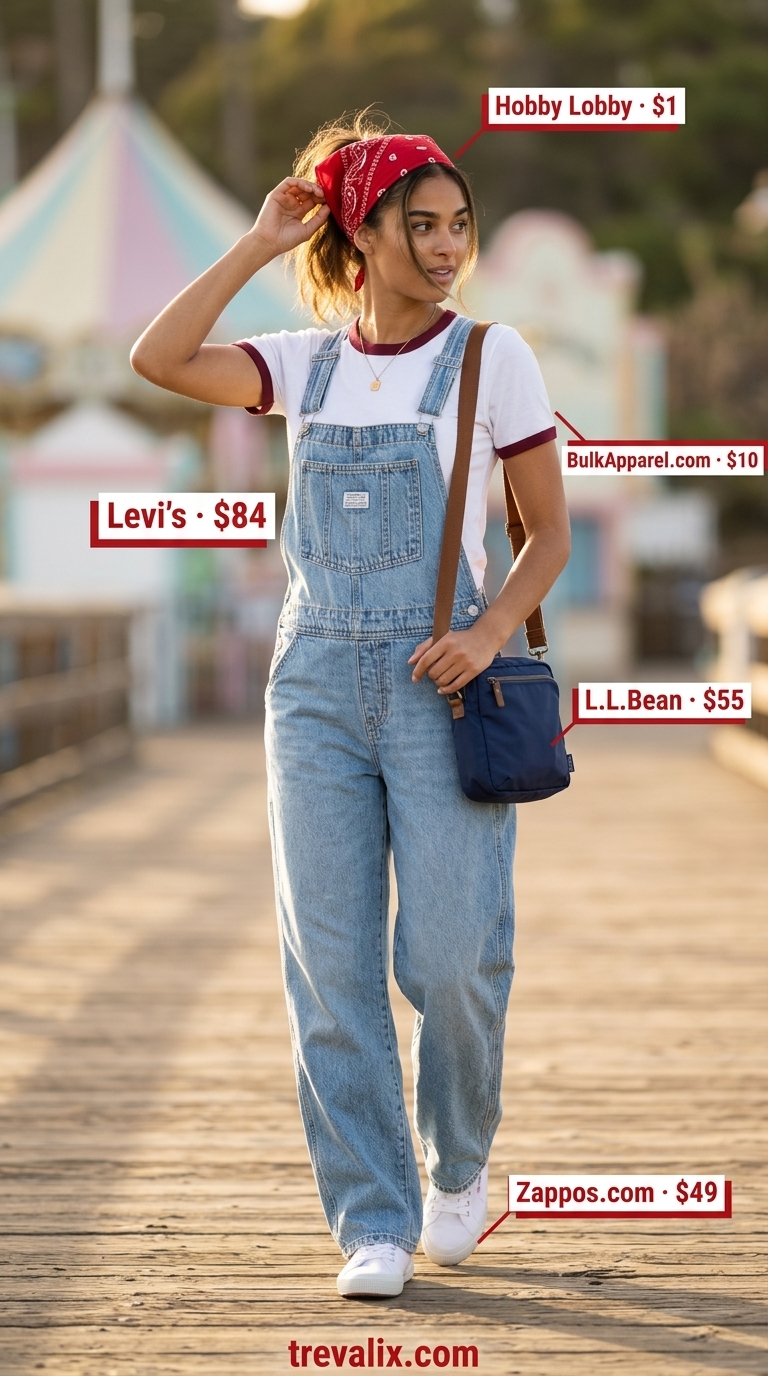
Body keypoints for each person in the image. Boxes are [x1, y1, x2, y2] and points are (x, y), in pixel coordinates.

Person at [131, 113, 570, 1299]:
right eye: (418, 225)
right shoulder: (303, 363)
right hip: (314, 688)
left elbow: (547, 533)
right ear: (362, 234)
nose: (444, 246)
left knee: (449, 954)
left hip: (445, 684)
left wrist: (483, 633)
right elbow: (159, 358)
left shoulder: (492, 357)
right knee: (329, 968)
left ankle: (459, 1164)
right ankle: (372, 1216)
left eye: (458, 225)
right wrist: (258, 242)